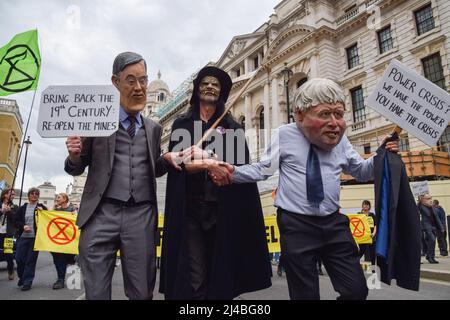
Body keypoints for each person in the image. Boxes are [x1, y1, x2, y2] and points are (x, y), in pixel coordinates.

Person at [212, 78, 399, 300]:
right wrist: (232, 172)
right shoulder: (284, 135)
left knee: (357, 290)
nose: (334, 123)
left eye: (338, 115)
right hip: (296, 224)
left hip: (333, 223)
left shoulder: (342, 141)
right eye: (324, 114)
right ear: (300, 115)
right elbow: (262, 170)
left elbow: (362, 171)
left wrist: (382, 155)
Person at [64, 52, 193, 300]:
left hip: (140, 216)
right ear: (115, 82)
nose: (138, 87)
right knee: (96, 293)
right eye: (131, 80)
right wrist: (74, 155)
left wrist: (165, 160)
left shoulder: (154, 128)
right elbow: (76, 168)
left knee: (142, 291)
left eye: (143, 81)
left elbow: (151, 168)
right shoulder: (96, 121)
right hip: (101, 214)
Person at [159, 66, 272, 300]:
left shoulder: (233, 128)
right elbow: (177, 163)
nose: (210, 86)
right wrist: (209, 164)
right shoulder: (182, 125)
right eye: (206, 82)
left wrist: (222, 167)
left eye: (216, 84)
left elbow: (240, 170)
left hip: (223, 211)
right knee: (195, 276)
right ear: (197, 89)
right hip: (190, 211)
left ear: (221, 93)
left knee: (222, 276)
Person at [15, 187, 48, 291]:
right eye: (32, 193)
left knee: (31, 260)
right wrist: (23, 226)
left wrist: (44, 213)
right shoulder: (22, 208)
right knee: (19, 258)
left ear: (38, 196)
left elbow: (48, 221)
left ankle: (27, 282)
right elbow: (16, 221)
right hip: (23, 237)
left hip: (35, 239)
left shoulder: (42, 207)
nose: (34, 195)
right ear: (29, 195)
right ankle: (22, 277)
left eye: (36, 194)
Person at [50, 193, 76, 290]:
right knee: (57, 260)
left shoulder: (71, 209)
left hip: (67, 239)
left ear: (65, 199)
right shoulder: (56, 209)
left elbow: (75, 218)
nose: (57, 199)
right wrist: (53, 207)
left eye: (59, 197)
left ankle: (62, 279)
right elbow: (48, 216)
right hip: (56, 239)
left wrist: (74, 214)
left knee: (64, 259)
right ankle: (60, 278)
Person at [418, 195, 444, 264]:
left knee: (432, 241)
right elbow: (417, 207)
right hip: (426, 226)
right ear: (423, 200)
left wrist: (441, 227)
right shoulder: (421, 206)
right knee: (432, 239)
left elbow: (437, 218)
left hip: (433, 227)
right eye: (428, 198)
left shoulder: (432, 207)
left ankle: (431, 257)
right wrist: (419, 201)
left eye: (431, 198)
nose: (430, 200)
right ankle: (429, 256)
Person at [0, 188, 19, 280]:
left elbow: (16, 219)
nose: (13, 195)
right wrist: (1, 211)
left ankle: (11, 270)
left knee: (8, 253)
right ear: (5, 195)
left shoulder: (14, 207)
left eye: (14, 194)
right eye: (11, 194)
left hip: (8, 233)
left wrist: (9, 212)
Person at [358, 200, 377, 265]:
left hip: (371, 237)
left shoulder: (372, 215)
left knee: (372, 253)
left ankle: (373, 267)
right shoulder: (359, 214)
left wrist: (373, 233)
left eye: (367, 204)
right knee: (361, 251)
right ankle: (355, 264)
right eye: (364, 204)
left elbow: (375, 225)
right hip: (362, 238)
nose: (366, 206)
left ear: (369, 206)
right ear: (362, 206)